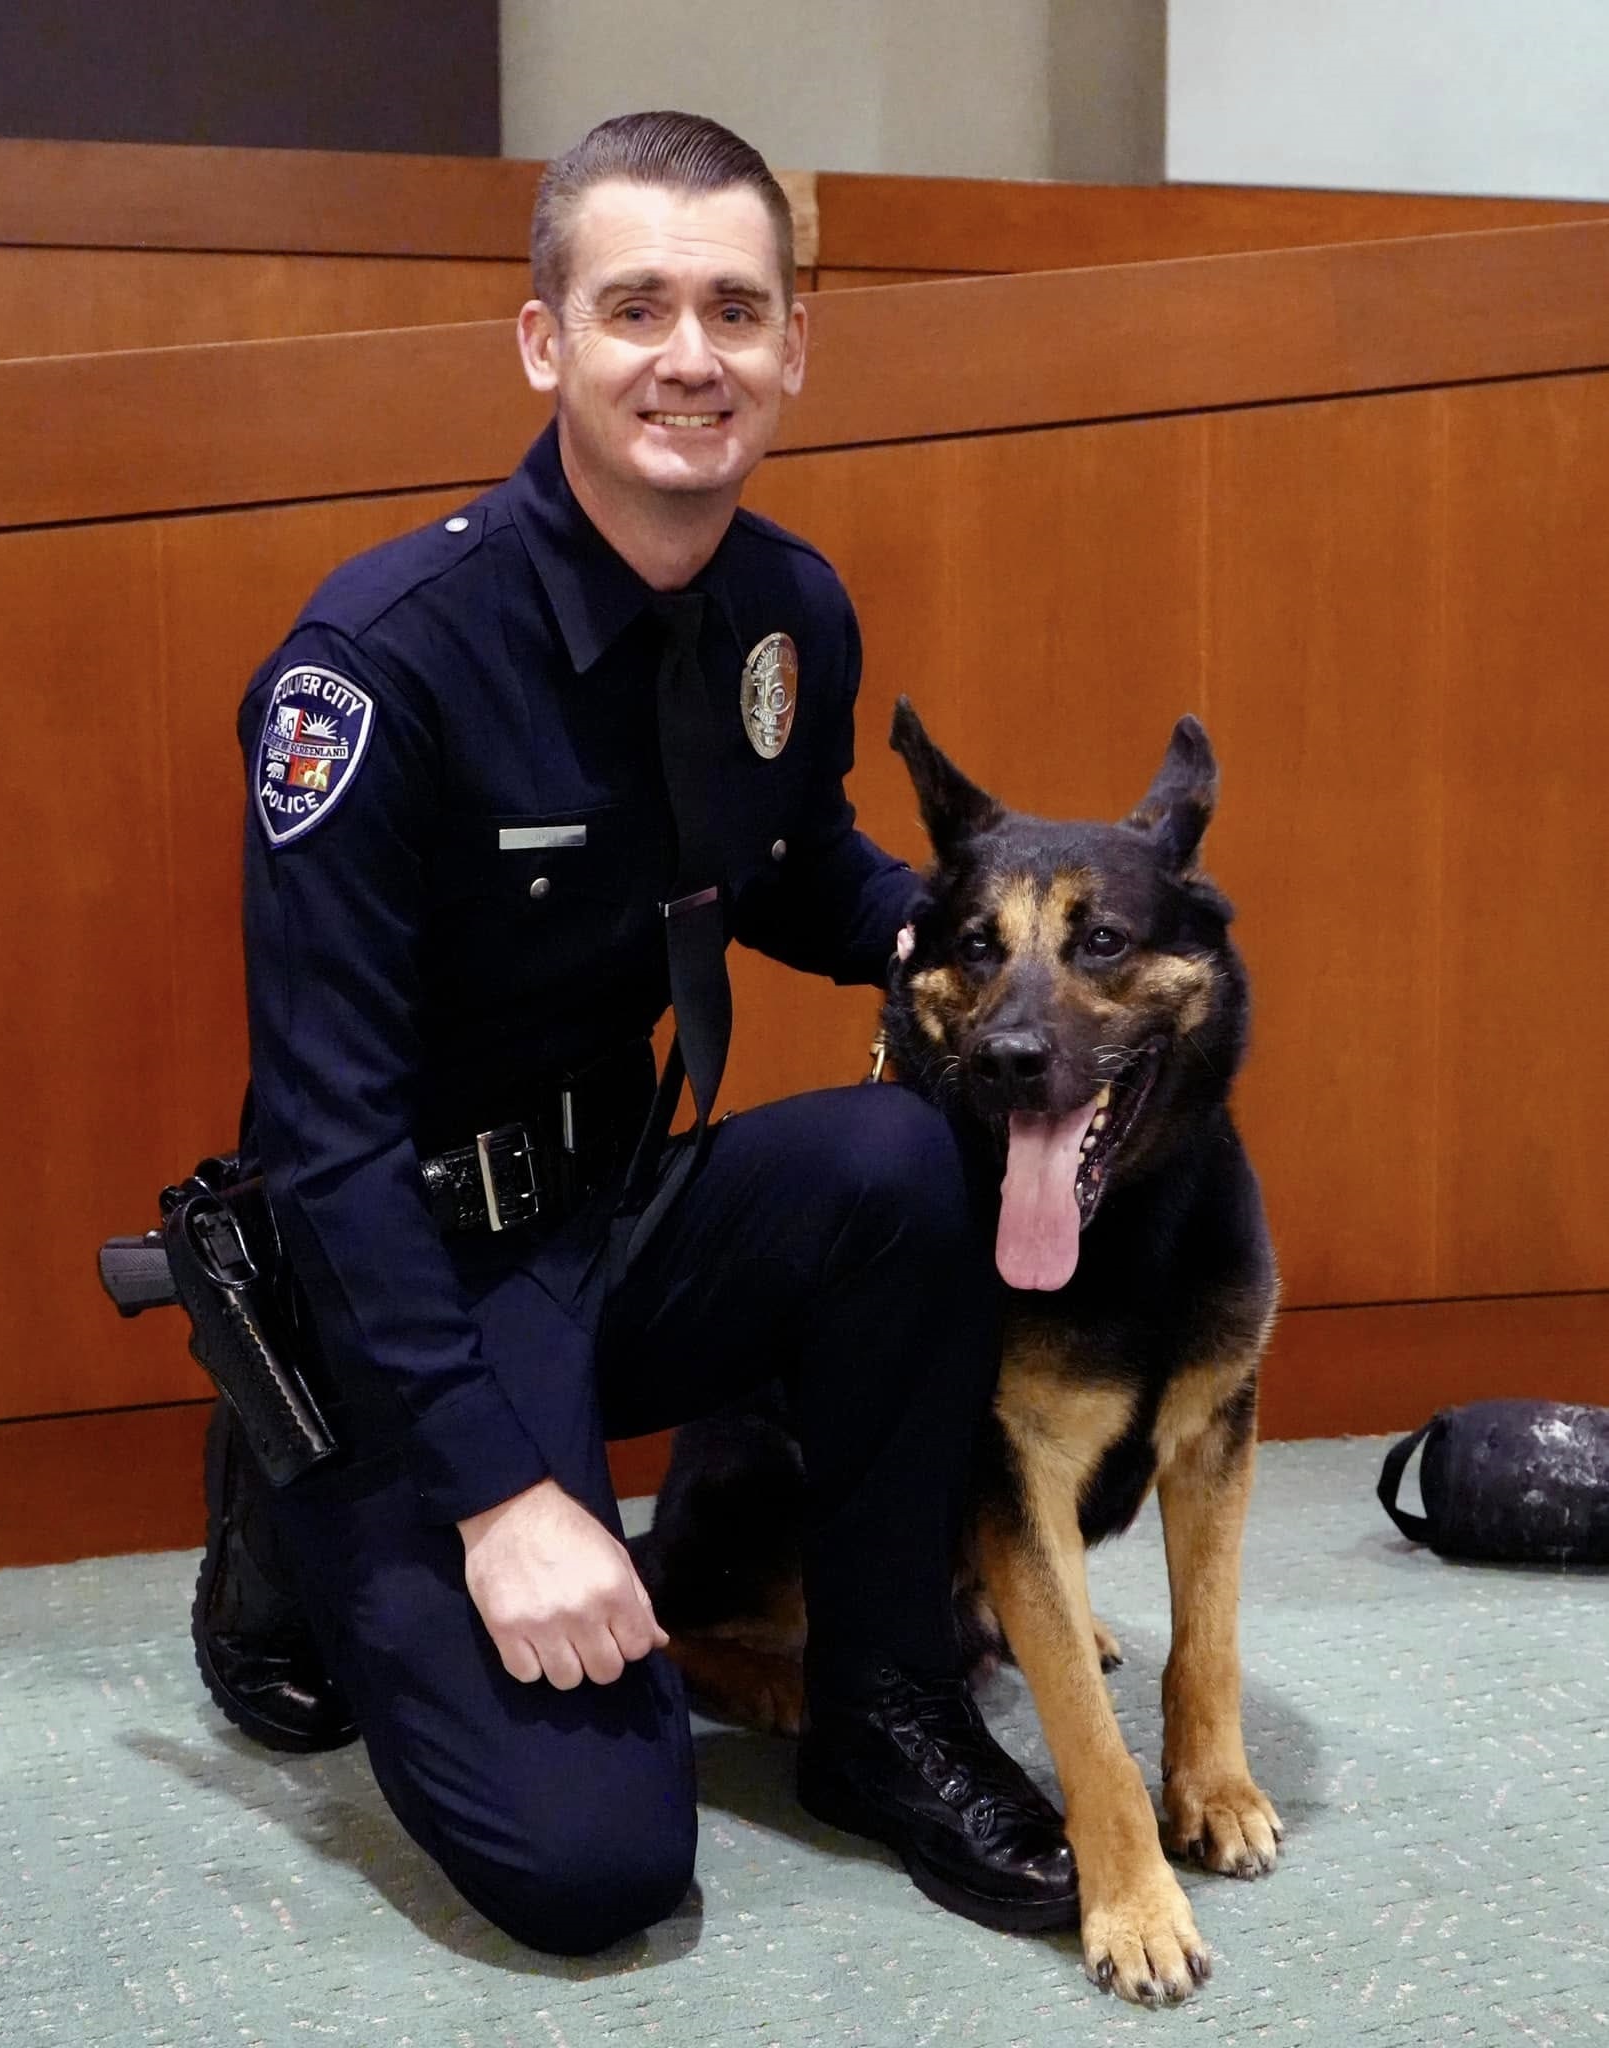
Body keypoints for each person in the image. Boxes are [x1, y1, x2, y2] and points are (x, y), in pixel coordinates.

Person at [200, 109, 1079, 1955]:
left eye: (736, 310)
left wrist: (962, 950)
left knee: (902, 1160)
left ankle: (882, 1709)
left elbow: (783, 855)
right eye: (637, 307)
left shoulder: (783, 607)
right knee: (596, 1864)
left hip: (610, 1210)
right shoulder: (379, 666)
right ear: (545, 342)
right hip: (402, 1281)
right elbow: (328, 1139)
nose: (692, 355)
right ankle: (296, 1517)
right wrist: (508, 1499)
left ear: (792, 346)